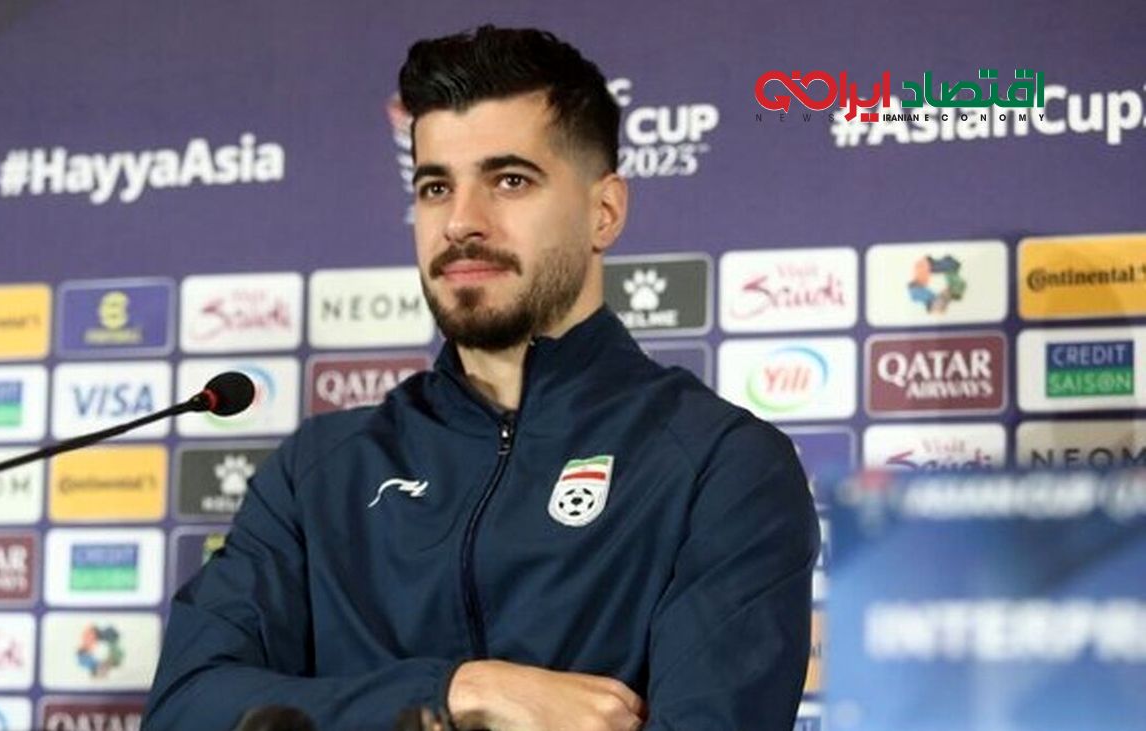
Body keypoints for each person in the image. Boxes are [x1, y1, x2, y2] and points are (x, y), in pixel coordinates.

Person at [144, 25, 819, 731]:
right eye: (436, 186)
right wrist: (456, 690)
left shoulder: (719, 464)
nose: (462, 222)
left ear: (604, 212)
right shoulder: (319, 472)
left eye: (510, 180)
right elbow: (186, 709)